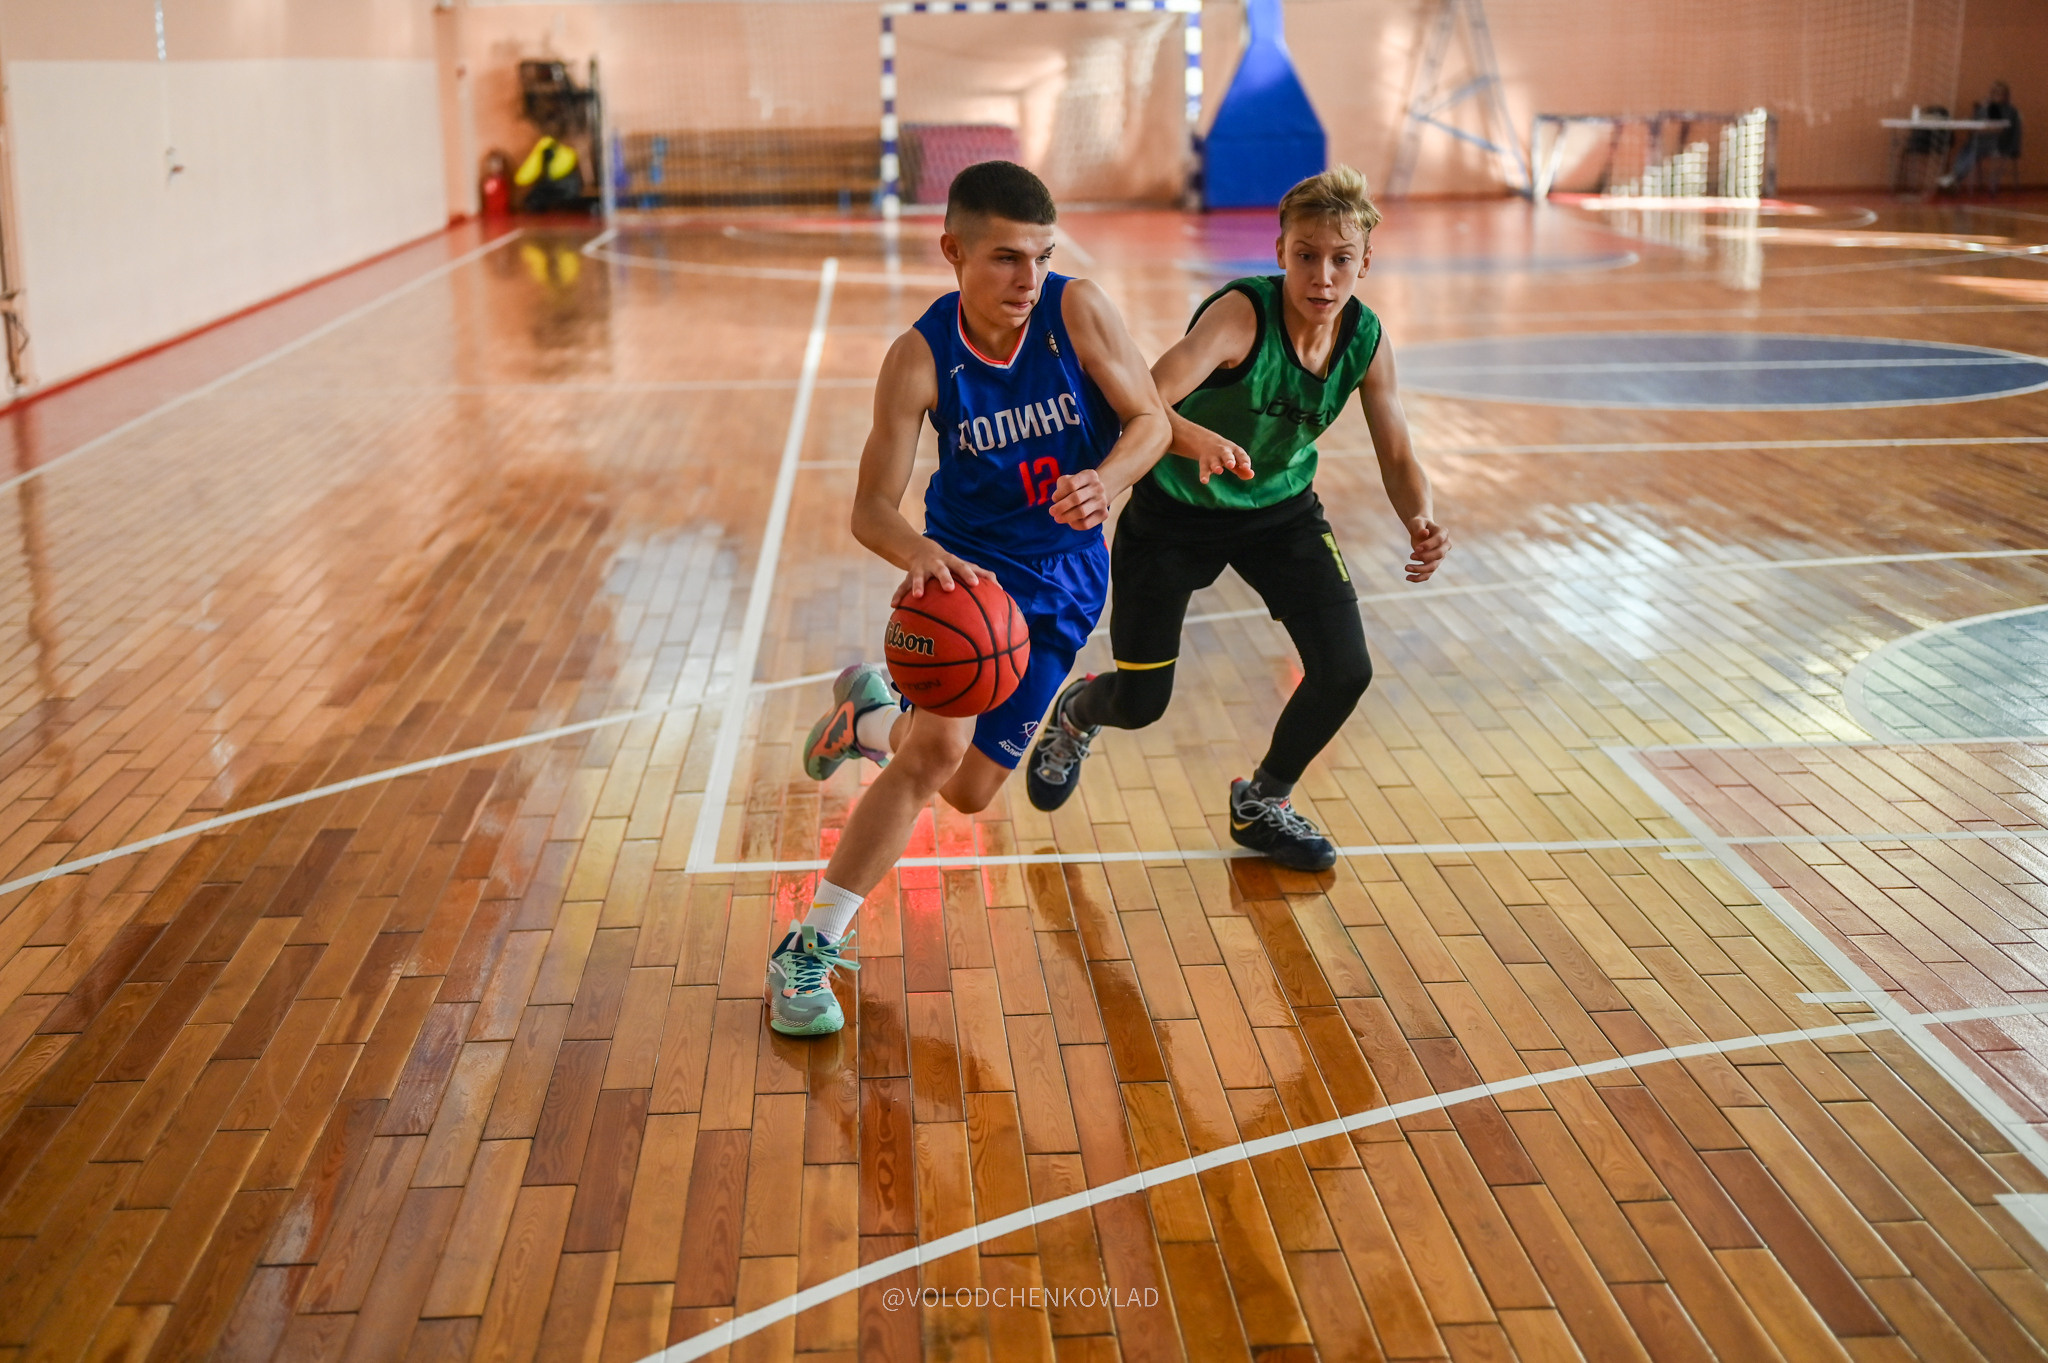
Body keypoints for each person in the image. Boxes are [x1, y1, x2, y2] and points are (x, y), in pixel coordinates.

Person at [770, 161, 1169, 1036]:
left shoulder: (1077, 312)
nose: (1027, 280)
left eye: (1040, 257)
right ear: (952, 250)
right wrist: (921, 554)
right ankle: (808, 945)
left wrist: (1106, 482)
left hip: (1065, 582)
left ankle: (866, 721)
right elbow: (871, 506)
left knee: (973, 793)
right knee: (933, 761)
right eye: (1003, 259)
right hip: (969, 580)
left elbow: (1151, 420)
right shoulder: (920, 356)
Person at [1022, 165, 1448, 871]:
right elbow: (1146, 398)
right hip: (1172, 513)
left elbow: (1396, 449)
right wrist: (1199, 441)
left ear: (1365, 263)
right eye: (1306, 254)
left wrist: (1421, 517)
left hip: (1278, 512)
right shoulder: (1240, 316)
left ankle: (1262, 802)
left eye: (1341, 259)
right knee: (1141, 701)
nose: (1322, 275)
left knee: (1345, 670)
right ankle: (1076, 714)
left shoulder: (1366, 341)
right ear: (1280, 252)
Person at [1939, 81, 2022, 191]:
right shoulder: (1989, 107)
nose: (1996, 95)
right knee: (1967, 147)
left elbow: (1999, 129)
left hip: (2002, 143)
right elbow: (1977, 121)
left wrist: (1981, 129)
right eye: (1994, 92)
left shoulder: (2010, 110)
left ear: (2005, 95)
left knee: (1975, 148)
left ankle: (1955, 177)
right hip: (1985, 141)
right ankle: (1955, 177)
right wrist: (1983, 109)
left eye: (1999, 93)